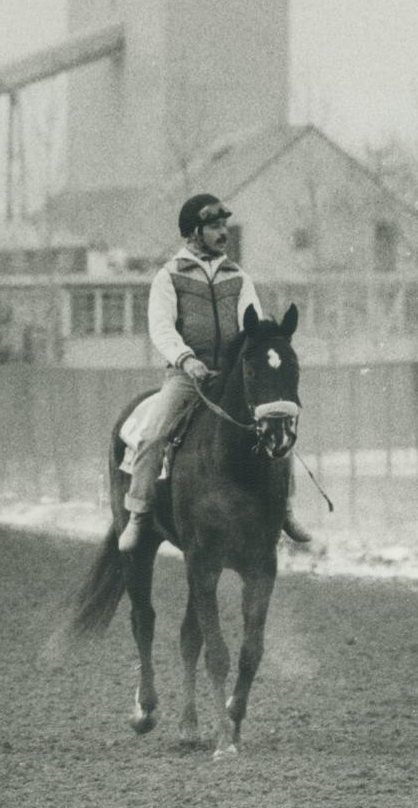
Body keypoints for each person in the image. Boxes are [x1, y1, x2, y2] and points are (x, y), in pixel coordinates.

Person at [119, 193, 312, 552]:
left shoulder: (237, 277)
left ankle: (284, 508)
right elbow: (161, 328)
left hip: (230, 374)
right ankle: (139, 513)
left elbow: (250, 322)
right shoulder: (169, 277)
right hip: (186, 377)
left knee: (277, 423)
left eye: (224, 225)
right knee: (152, 433)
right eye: (214, 226)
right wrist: (186, 359)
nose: (223, 233)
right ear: (195, 232)